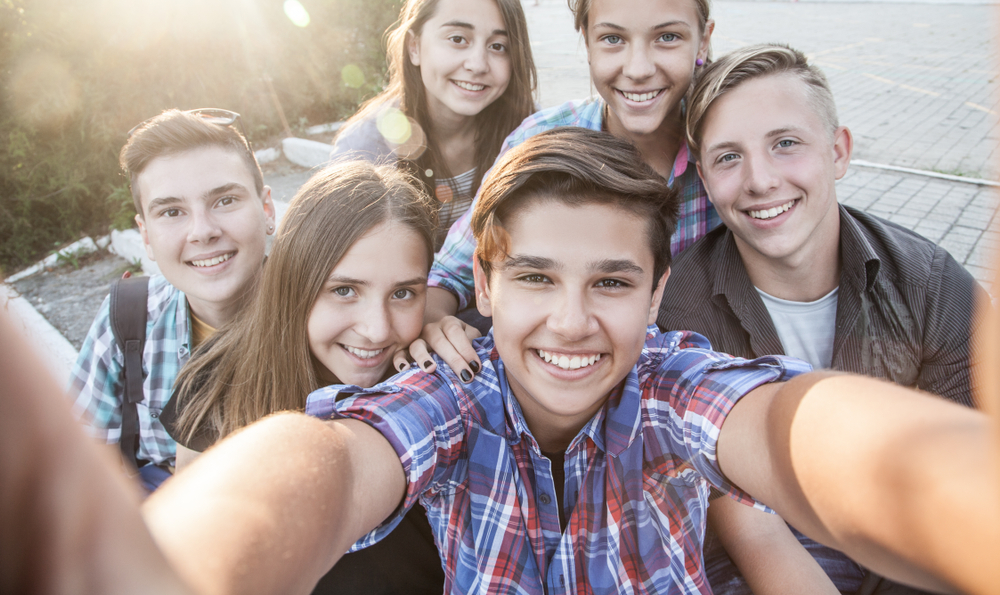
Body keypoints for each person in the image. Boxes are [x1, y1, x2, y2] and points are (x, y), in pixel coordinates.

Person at [141, 128, 1000, 595]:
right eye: (537, 276)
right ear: (482, 280)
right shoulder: (449, 394)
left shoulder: (672, 386)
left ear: (659, 293)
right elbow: (333, 462)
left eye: (613, 281)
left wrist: (963, 495)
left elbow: (785, 427)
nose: (573, 321)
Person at [658, 43, 988, 595]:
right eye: (728, 157)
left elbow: (968, 472)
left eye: (785, 144)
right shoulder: (679, 309)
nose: (760, 180)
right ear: (706, 180)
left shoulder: (930, 284)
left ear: (838, 151)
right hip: (761, 554)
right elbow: (736, 517)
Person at [414, 0, 722, 379]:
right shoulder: (542, 138)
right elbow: (450, 274)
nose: (638, 69)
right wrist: (434, 321)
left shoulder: (728, 153)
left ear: (704, 38)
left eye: (668, 38)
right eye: (612, 39)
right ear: (585, 38)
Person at [159, 161, 445, 595]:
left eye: (403, 293)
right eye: (344, 290)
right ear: (295, 281)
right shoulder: (217, 383)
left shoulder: (438, 383)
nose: (377, 329)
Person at [66, 109, 275, 492]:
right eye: (172, 212)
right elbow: (78, 475)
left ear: (266, 210)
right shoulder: (127, 320)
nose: (203, 231)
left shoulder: (327, 314)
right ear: (145, 234)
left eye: (225, 200)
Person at [330, 0, 537, 246]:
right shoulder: (363, 152)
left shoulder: (531, 138)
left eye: (498, 46)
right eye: (457, 39)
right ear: (414, 47)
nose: (478, 64)